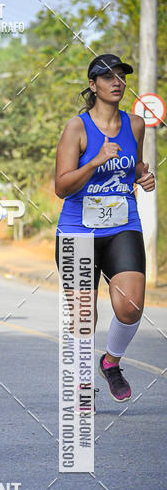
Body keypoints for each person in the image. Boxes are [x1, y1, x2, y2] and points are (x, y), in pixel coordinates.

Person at [55, 53, 155, 402]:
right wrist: (95, 161)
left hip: (122, 223)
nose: (117, 82)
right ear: (93, 85)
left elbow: (135, 165)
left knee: (130, 305)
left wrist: (143, 176)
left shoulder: (136, 124)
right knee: (84, 313)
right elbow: (62, 186)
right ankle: (83, 382)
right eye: (108, 76)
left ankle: (110, 362)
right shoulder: (77, 128)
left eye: (121, 76)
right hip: (77, 229)